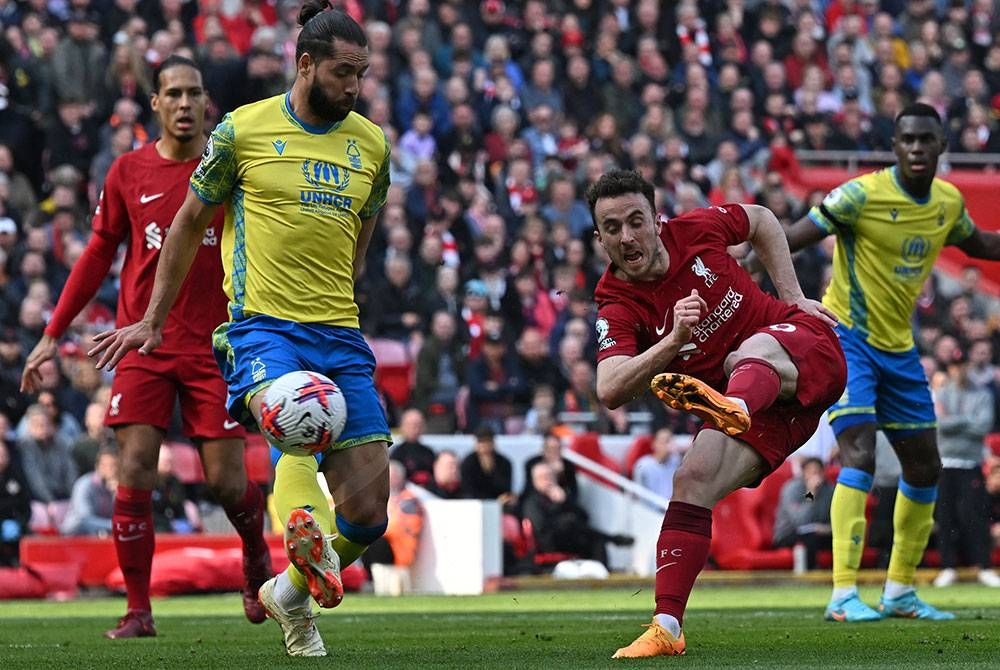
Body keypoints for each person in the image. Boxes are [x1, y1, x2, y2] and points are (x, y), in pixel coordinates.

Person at [88, 5, 392, 658]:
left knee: (370, 514)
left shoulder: (372, 143)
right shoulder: (242, 132)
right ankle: (299, 531)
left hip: (339, 331)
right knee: (295, 416)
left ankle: (291, 590)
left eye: (362, 75)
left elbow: (360, 239)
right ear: (305, 64)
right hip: (262, 328)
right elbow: (190, 222)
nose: (354, 87)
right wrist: (152, 318)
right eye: (344, 72)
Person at [21, 55, 273, 639]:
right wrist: (52, 333)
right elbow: (96, 254)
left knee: (227, 484)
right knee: (134, 470)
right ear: (155, 104)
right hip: (143, 341)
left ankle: (255, 550)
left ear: (207, 103)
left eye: (194, 94)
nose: (185, 104)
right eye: (174, 94)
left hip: (216, 346)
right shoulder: (127, 171)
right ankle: (138, 610)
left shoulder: (230, 171)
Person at [588, 169, 846, 658]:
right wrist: (671, 343)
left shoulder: (697, 230)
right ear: (599, 238)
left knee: (745, 353)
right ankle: (666, 627)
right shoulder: (617, 303)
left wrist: (791, 295)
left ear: (657, 220)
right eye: (613, 228)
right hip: (765, 417)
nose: (627, 236)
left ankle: (737, 402)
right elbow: (610, 387)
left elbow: (762, 220)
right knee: (692, 479)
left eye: (635, 221)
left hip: (802, 350)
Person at [778, 103, 1000, 621]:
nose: (918, 149)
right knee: (859, 453)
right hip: (846, 339)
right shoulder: (861, 194)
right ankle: (841, 595)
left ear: (941, 147)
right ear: (895, 147)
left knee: (925, 465)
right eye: (908, 140)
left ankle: (899, 590)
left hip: (899, 348)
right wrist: (738, 261)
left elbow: (979, 243)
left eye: (927, 140)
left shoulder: (946, 202)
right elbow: (789, 237)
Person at [931, 349, 1000, 588]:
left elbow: (983, 426)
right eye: (954, 365)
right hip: (946, 463)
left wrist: (956, 420)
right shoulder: (942, 393)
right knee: (946, 517)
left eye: (962, 365)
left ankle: (983, 566)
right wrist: (966, 419)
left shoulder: (982, 394)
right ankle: (947, 567)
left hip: (970, 463)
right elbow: (941, 424)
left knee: (976, 517)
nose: (959, 370)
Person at [772, 457, 834, 570]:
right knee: (810, 539)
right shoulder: (792, 488)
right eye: (811, 472)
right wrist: (811, 493)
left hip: (819, 532)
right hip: (788, 533)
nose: (816, 476)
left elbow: (832, 518)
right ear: (804, 472)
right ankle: (810, 577)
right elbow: (801, 521)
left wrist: (827, 529)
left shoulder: (829, 490)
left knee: (837, 539)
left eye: (818, 472)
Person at [60, 446, 118, 536]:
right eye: (106, 465)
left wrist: (119, 496)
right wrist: (114, 525)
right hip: (75, 536)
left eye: (115, 465)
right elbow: (85, 519)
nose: (112, 470)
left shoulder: (120, 488)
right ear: (97, 467)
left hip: (103, 535)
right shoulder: (84, 485)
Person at [389, 409, 436, 487]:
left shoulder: (429, 452)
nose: (415, 428)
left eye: (419, 425)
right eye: (412, 425)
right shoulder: (397, 453)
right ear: (403, 426)